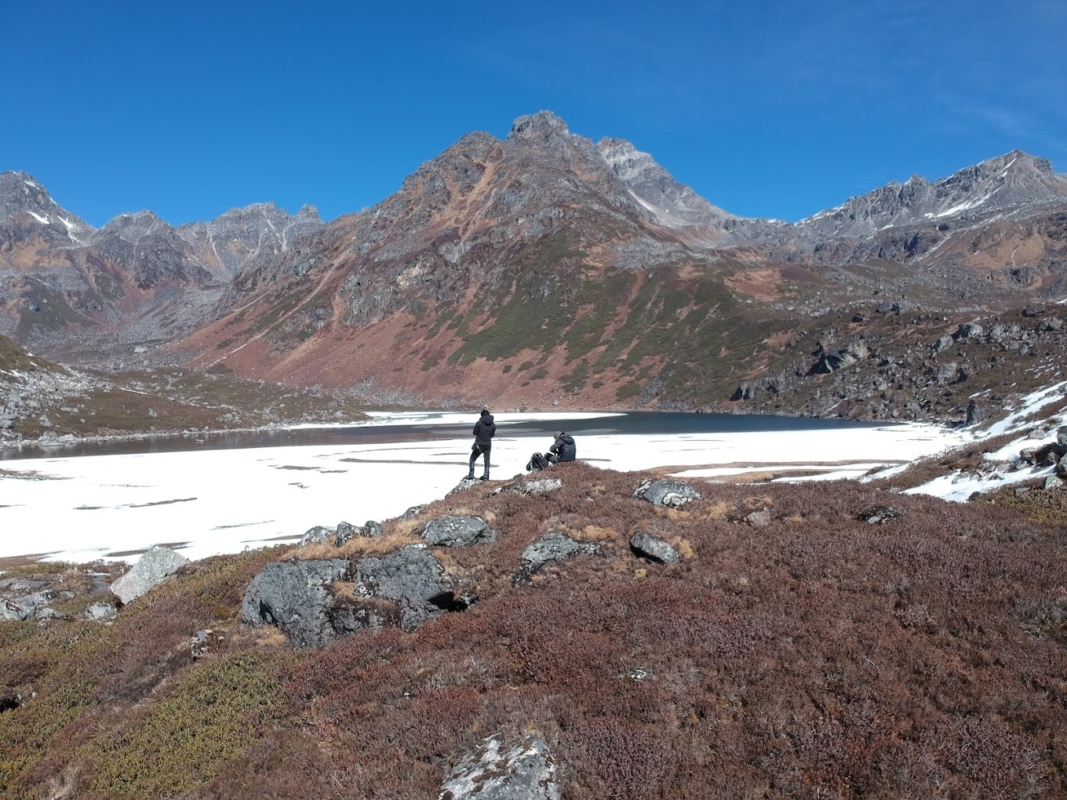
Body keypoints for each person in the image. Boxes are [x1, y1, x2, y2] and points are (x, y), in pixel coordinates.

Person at [468, 406, 496, 480]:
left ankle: (471, 474)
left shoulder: (479, 423)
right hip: (488, 444)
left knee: (472, 458)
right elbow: (492, 435)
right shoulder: (493, 425)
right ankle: (486, 475)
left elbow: (474, 433)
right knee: (487, 460)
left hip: (479, 445)